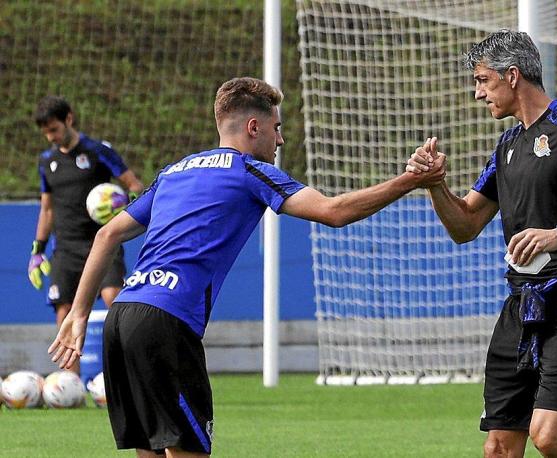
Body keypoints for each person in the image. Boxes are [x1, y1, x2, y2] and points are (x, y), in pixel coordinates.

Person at [48, 77, 444, 457]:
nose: (281, 139)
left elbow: (106, 236)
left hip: (122, 318)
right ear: (254, 127)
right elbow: (333, 211)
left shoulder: (173, 172)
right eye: (277, 128)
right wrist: (409, 181)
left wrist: (79, 315)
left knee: (151, 451)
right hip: (165, 323)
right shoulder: (249, 171)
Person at [407, 30, 557, 458]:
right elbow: (466, 225)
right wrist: (435, 186)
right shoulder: (506, 145)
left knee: (548, 436)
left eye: (483, 80)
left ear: (512, 76)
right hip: (521, 307)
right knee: (498, 447)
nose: (478, 93)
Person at [30, 96, 144, 373]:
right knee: (63, 311)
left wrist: (121, 206)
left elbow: (135, 186)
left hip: (102, 243)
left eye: (54, 129)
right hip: (66, 248)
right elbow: (47, 209)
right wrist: (38, 250)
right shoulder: (47, 162)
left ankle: (128, 373)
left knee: (113, 298)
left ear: (69, 118)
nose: (50, 137)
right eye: (45, 132)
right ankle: (71, 384)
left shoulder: (98, 151)